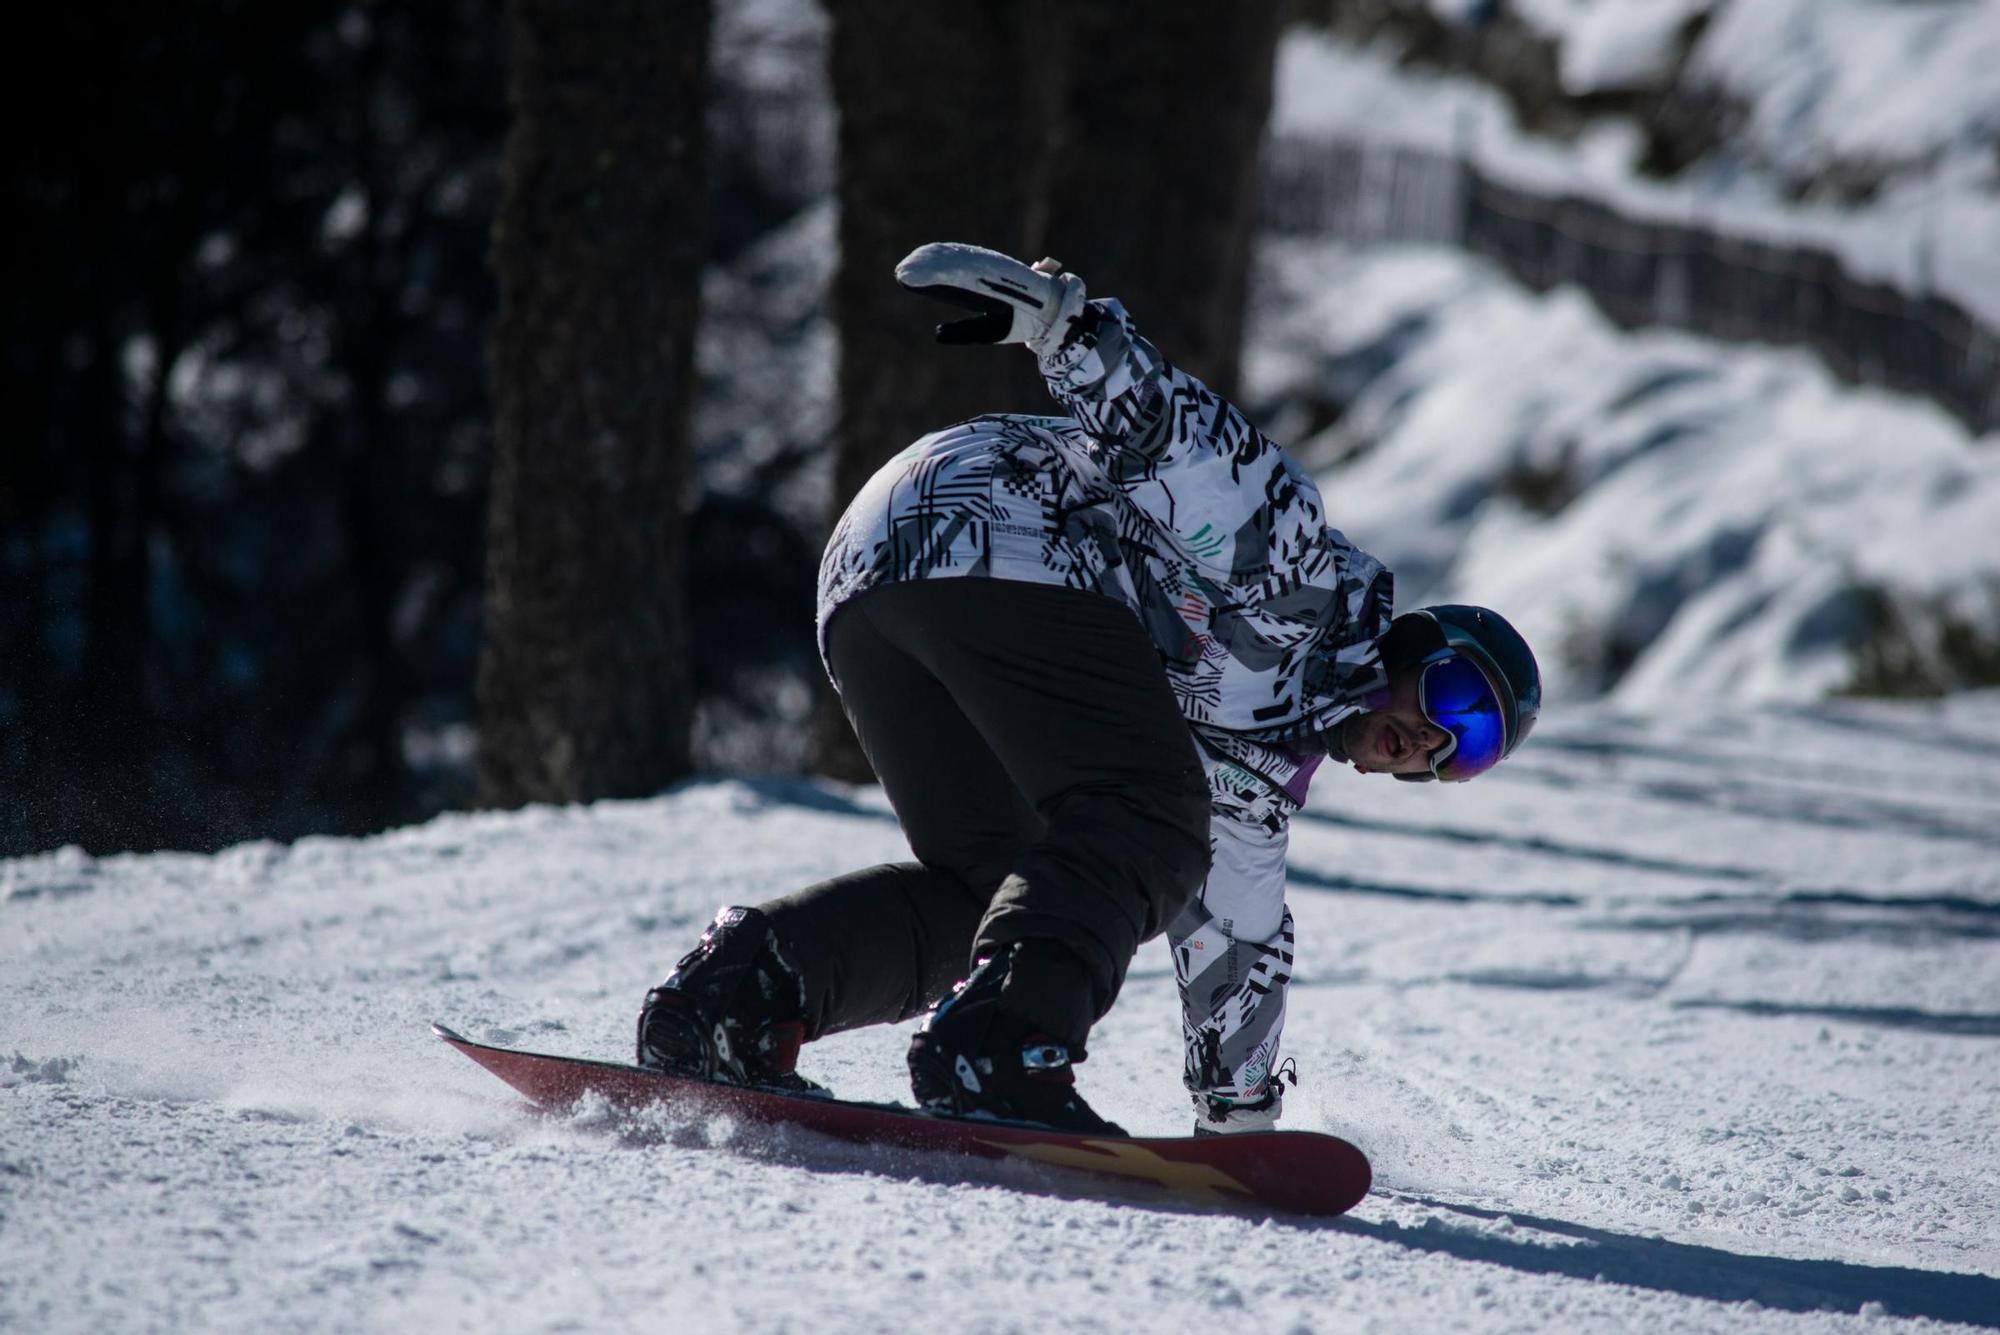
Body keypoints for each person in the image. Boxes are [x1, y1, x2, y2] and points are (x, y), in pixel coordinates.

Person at [636, 243, 1541, 1135]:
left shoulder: (1256, 782)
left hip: (872, 586)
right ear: (1417, 644)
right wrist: (1067, 331)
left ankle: (732, 1000)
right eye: (1455, 696)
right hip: (986, 528)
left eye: (1473, 750)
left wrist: (1239, 1122)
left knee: (1005, 883)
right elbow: (1181, 444)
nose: (1438, 740)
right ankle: (1000, 1046)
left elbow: (1236, 949)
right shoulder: (1305, 581)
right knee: (1148, 816)